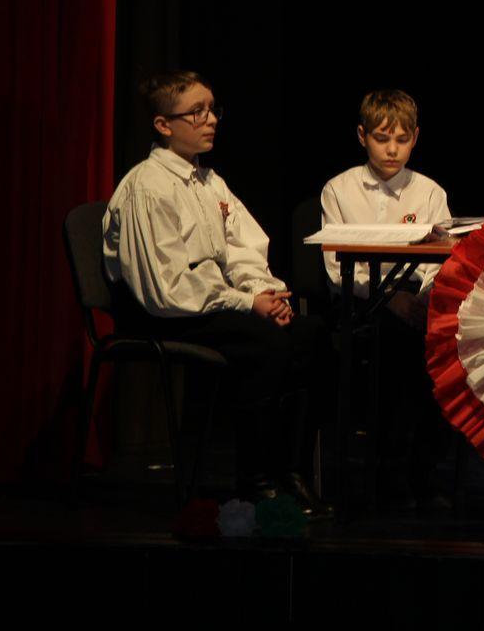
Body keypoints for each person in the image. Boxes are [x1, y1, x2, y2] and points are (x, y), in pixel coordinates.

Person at [103, 71, 332, 516]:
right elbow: (166, 288)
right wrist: (247, 304)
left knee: (312, 335)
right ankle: (255, 481)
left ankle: (292, 472)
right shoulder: (148, 187)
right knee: (265, 343)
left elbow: (241, 247)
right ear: (163, 125)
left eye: (212, 110)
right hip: (162, 312)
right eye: (196, 112)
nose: (210, 120)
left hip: (208, 302)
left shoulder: (209, 182)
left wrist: (265, 293)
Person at [320, 89, 452, 505]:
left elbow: (441, 262)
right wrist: (389, 298)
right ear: (362, 136)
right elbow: (335, 268)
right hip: (360, 301)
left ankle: (423, 467)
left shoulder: (429, 192)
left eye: (401, 139)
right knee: (393, 343)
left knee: (440, 343)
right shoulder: (339, 190)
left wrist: (425, 300)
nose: (392, 149)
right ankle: (389, 469)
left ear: (415, 138)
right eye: (382, 138)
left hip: (416, 300)